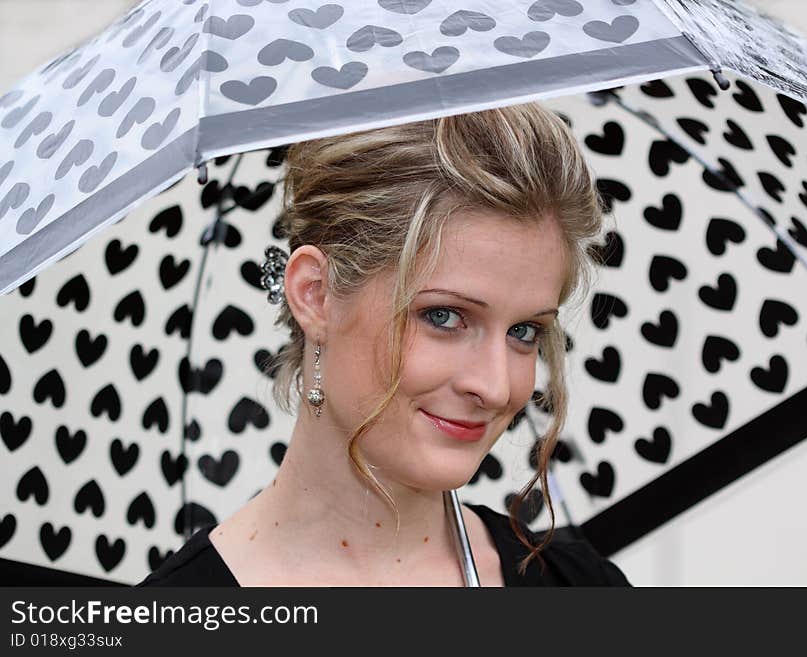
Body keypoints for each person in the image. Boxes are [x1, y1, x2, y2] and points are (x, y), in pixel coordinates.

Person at [139, 103, 630, 587]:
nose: (497, 387)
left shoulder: (578, 584)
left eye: (524, 331)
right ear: (316, 294)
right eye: (444, 317)